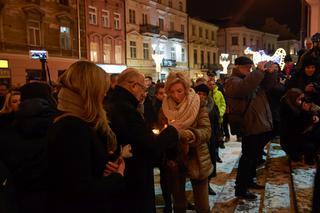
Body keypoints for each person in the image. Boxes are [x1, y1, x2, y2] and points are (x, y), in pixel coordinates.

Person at [47, 61, 126, 213]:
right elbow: (79, 190)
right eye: (102, 89)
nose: (105, 94)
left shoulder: (76, 120)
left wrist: (105, 164)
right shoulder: (72, 127)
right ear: (90, 91)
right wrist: (117, 176)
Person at [106, 68, 179, 213]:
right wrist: (172, 130)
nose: (144, 93)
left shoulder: (112, 103)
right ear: (133, 86)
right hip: (134, 177)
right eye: (143, 88)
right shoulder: (127, 110)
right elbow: (149, 145)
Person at [225, 56, 277, 200]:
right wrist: (258, 72)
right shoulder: (232, 81)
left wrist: (270, 73)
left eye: (250, 67)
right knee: (247, 157)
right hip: (248, 123)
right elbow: (244, 88)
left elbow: (267, 86)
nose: (249, 69)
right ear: (238, 67)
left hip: (257, 122)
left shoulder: (251, 78)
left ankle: (249, 180)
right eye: (247, 67)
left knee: (254, 155)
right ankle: (240, 188)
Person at [162, 72, 212, 213]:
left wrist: (189, 134)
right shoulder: (165, 107)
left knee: (202, 205)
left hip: (197, 157)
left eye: (179, 91)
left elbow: (206, 131)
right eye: (171, 91)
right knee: (178, 202)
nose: (175, 95)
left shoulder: (198, 103)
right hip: (174, 158)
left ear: (186, 89)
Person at [194, 83, 220, 196]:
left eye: (203, 94)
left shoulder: (212, 105)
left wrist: (219, 136)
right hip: (199, 140)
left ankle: (207, 184)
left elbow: (216, 121)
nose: (201, 96)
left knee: (210, 163)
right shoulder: (192, 106)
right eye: (198, 93)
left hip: (211, 138)